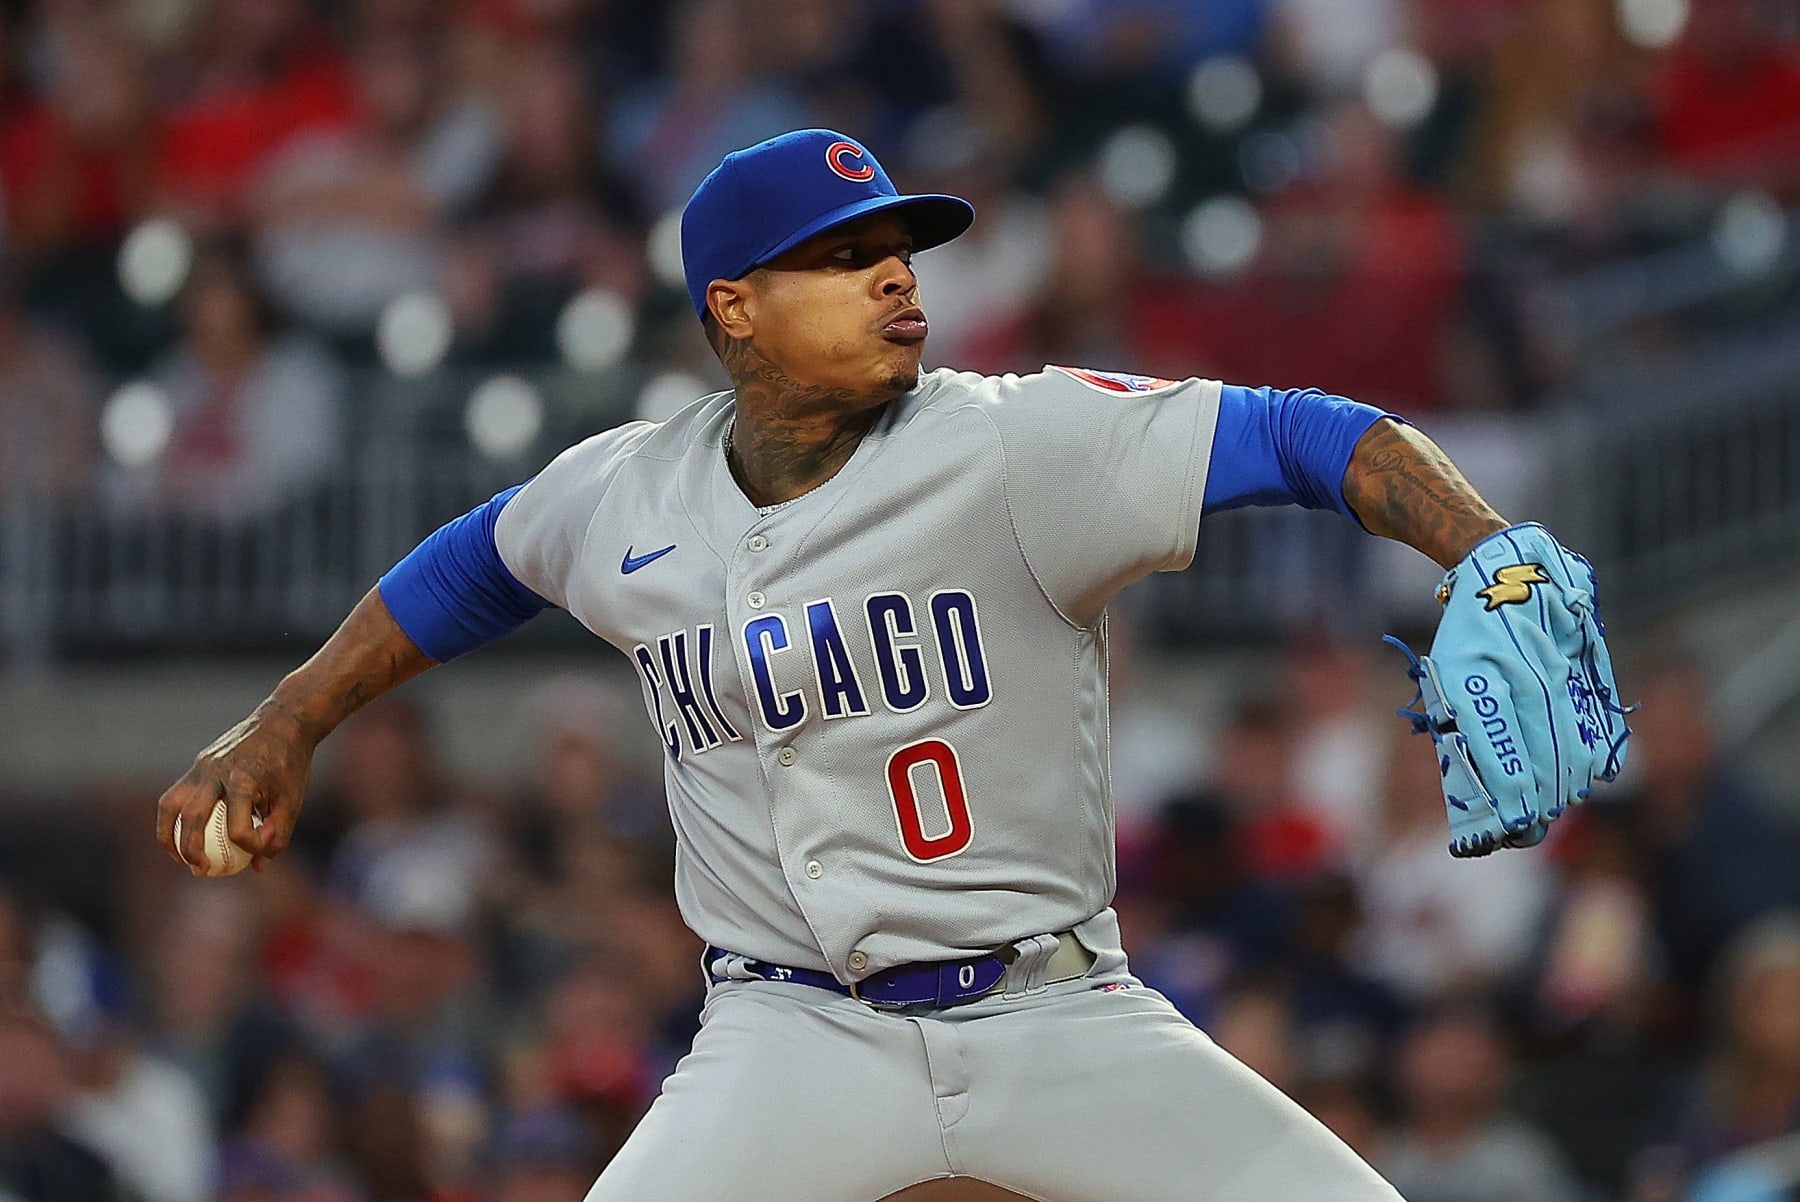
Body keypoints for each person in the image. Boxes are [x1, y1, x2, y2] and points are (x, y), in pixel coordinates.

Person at [158, 127, 1609, 1201]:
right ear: (733, 306)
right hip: (789, 1029)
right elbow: (472, 564)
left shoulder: (1016, 441)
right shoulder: (627, 494)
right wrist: (292, 715)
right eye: (843, 258)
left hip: (1056, 1014)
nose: (895, 276)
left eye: (899, 248)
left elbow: (1309, 432)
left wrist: (1491, 547)